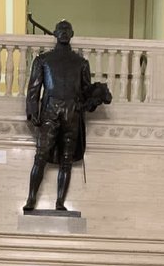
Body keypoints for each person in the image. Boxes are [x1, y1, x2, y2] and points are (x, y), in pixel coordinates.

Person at [23, 19, 109, 212]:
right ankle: (30, 199)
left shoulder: (81, 63)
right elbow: (33, 89)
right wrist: (32, 111)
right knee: (41, 155)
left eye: (67, 30)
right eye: (60, 30)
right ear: (54, 33)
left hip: (72, 112)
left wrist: (97, 93)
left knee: (67, 159)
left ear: (72, 34)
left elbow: (86, 90)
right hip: (50, 110)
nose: (63, 32)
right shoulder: (43, 60)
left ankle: (60, 202)